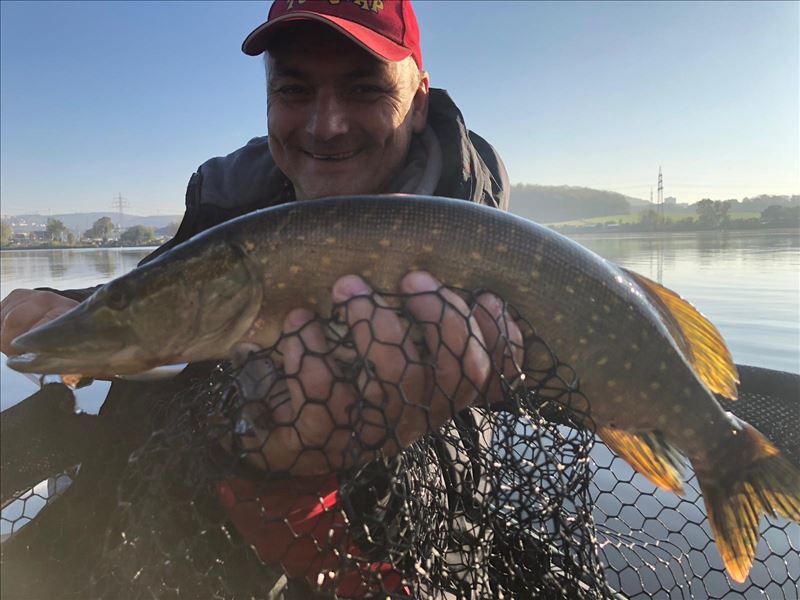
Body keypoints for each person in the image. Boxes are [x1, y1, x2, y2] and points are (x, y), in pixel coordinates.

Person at [1, 1, 522, 596]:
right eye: (295, 90)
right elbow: (163, 286)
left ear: (420, 100)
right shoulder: (229, 206)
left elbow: (451, 526)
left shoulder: (478, 259)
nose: (325, 125)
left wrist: (309, 477)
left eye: (364, 88)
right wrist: (71, 303)